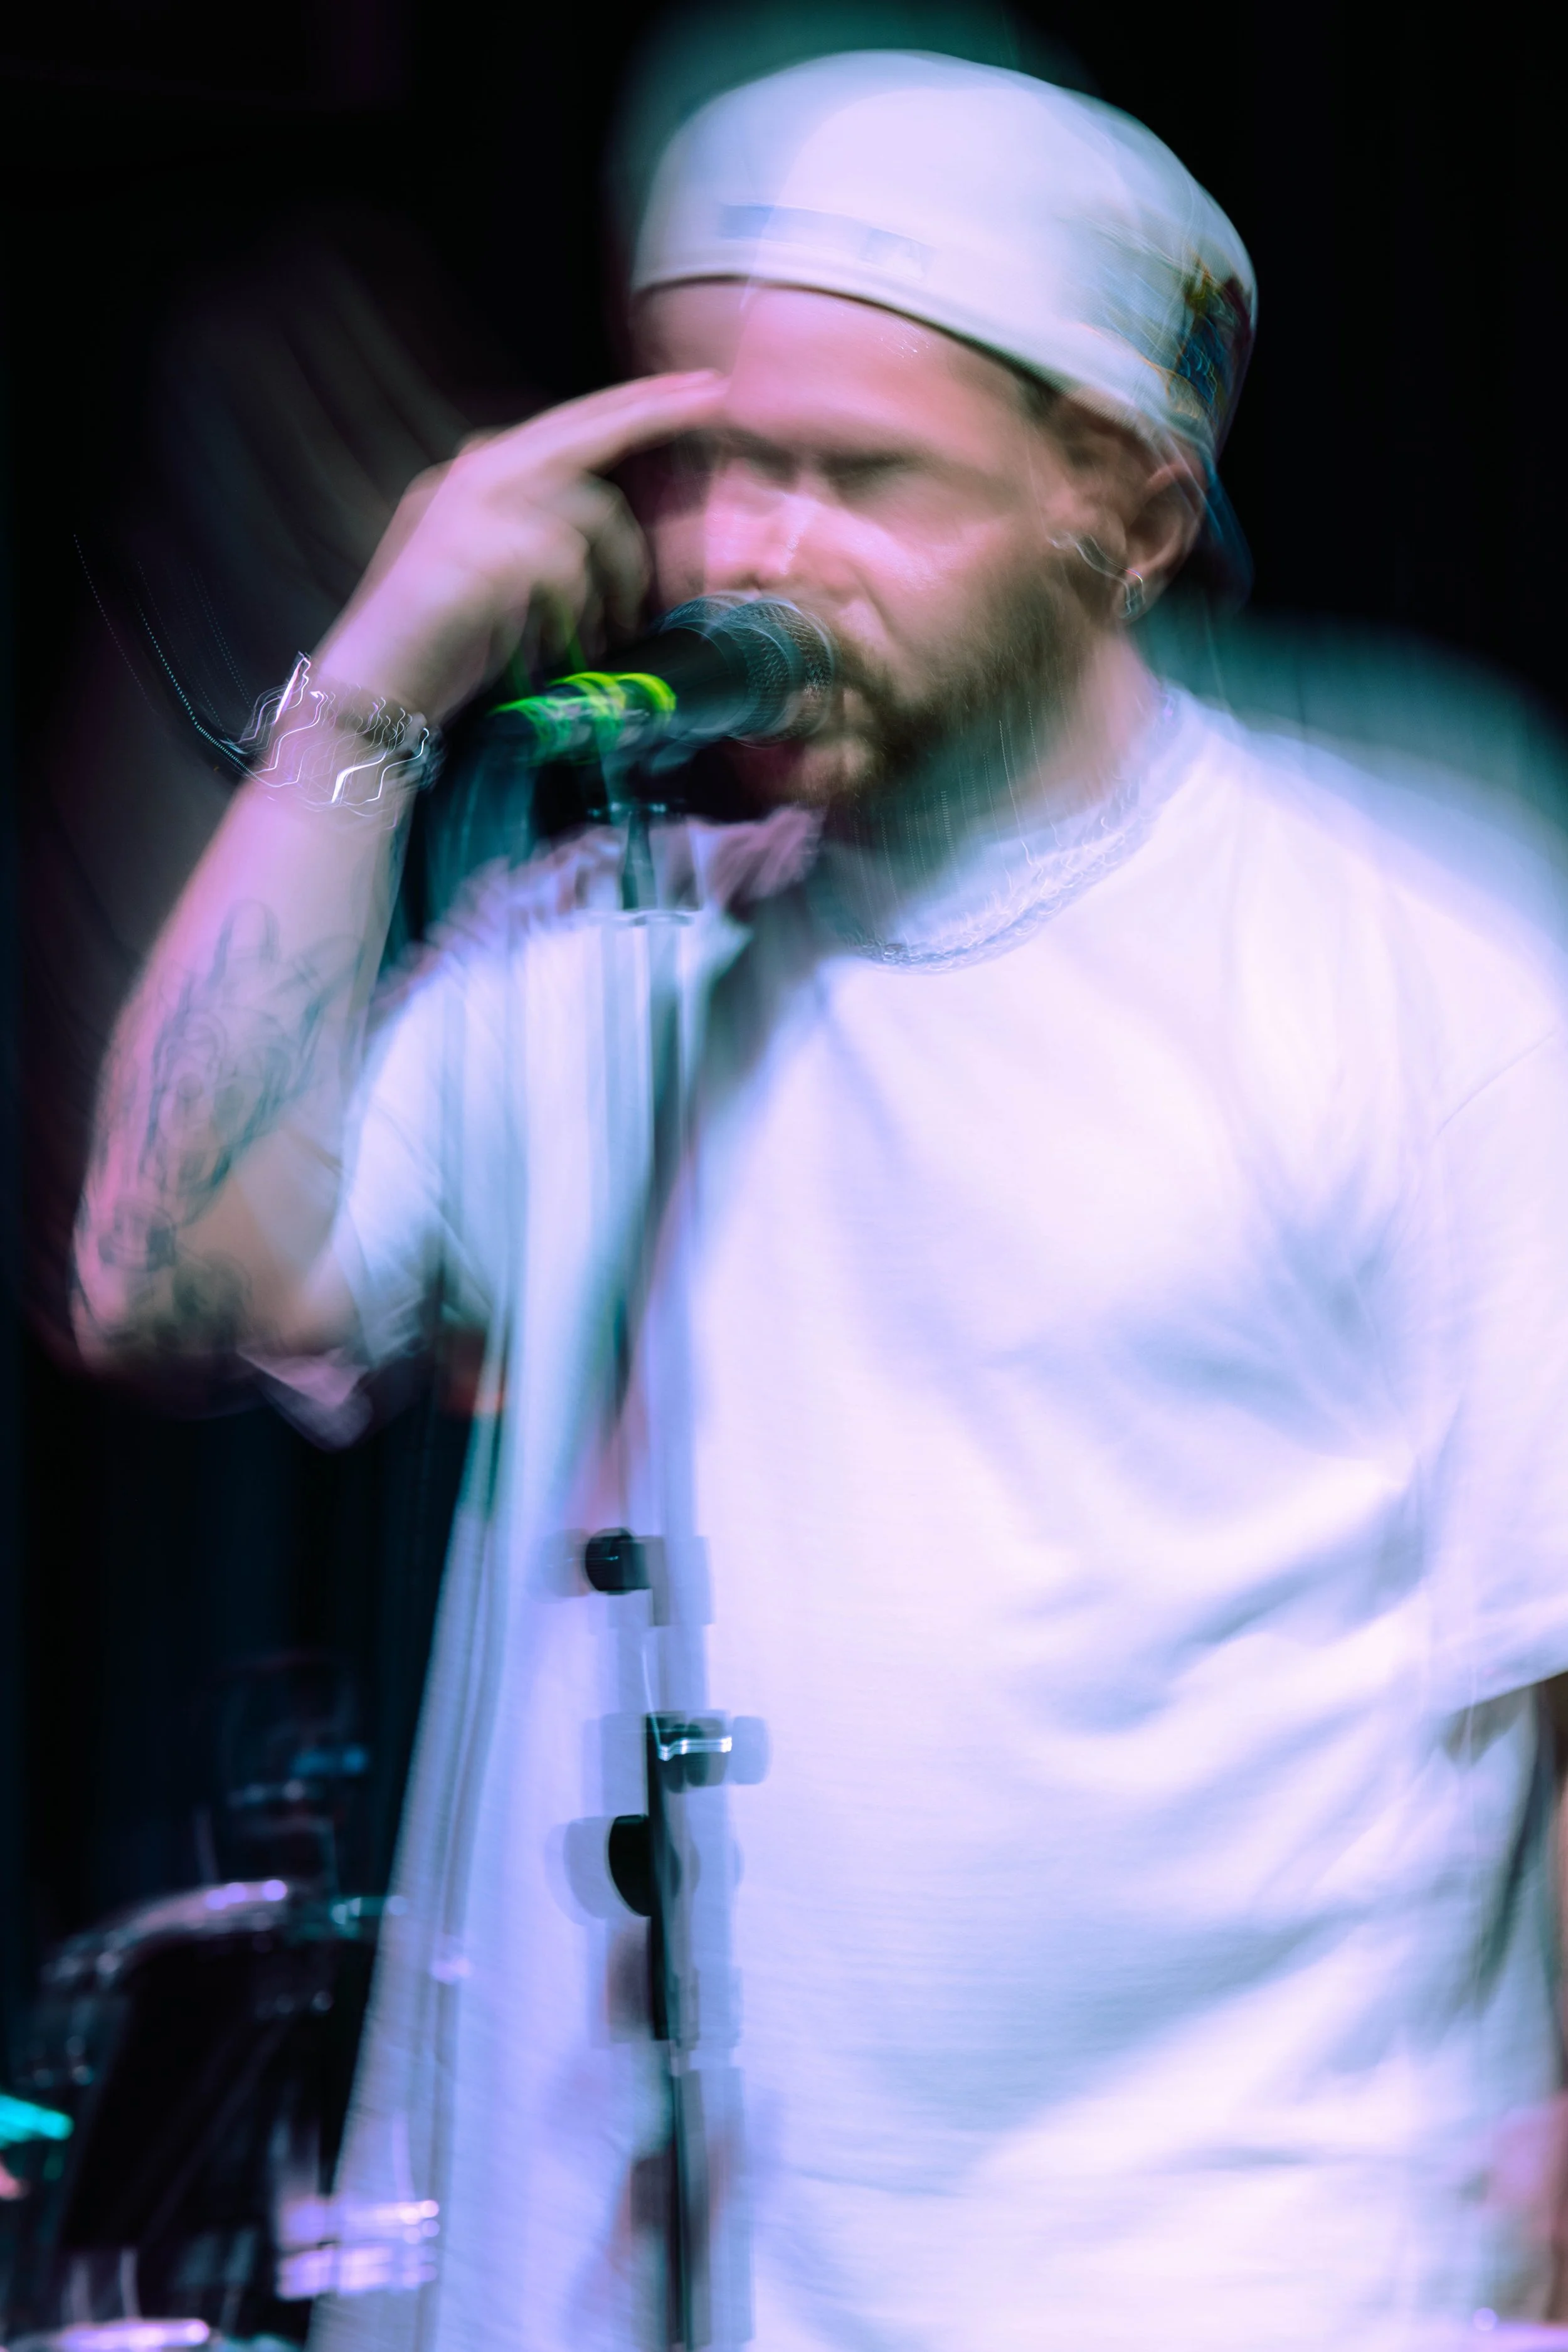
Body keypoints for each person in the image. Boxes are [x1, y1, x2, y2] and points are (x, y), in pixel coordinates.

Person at [70, 48, 1568, 2352]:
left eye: (858, 475)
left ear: (1127, 515)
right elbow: (162, 1282)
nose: (749, 545)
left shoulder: (1413, 969)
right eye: (711, 462)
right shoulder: (592, 955)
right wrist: (362, 693)